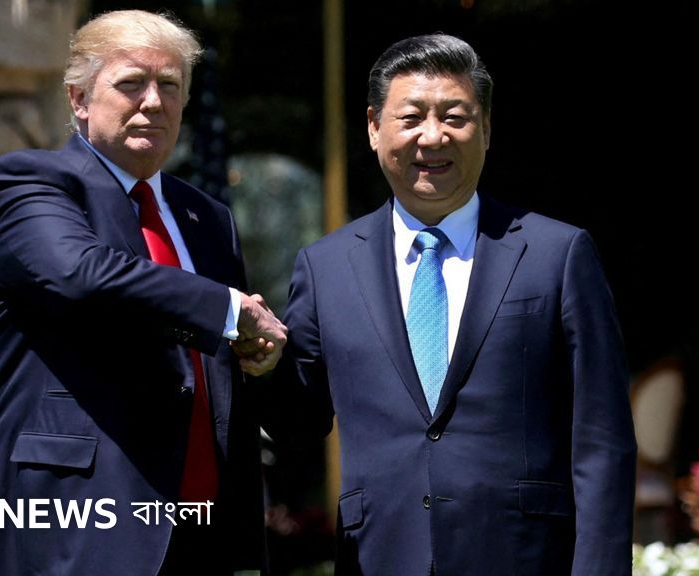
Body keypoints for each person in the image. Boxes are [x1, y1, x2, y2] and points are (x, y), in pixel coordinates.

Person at [262, 34, 636, 575]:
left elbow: (602, 437)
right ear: (374, 127)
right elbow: (299, 423)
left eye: (455, 117)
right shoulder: (326, 267)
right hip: (380, 557)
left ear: (486, 128)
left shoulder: (557, 254)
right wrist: (264, 365)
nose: (433, 136)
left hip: (525, 557)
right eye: (411, 117)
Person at [0, 10, 284, 576]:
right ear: (79, 99)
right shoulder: (31, 182)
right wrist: (229, 309)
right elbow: (81, 273)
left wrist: (254, 350)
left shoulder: (207, 217)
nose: (153, 101)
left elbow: (210, 364)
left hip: (197, 531)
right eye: (131, 83)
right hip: (66, 528)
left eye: (169, 85)